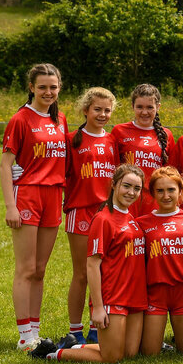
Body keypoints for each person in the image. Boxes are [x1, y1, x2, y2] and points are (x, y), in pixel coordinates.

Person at [30, 165, 147, 362]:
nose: (131, 192)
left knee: (129, 353)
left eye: (137, 188)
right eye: (126, 186)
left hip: (134, 296)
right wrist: (99, 308)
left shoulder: (131, 218)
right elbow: (92, 265)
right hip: (113, 297)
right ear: (114, 185)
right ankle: (52, 354)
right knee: (112, 357)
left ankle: (74, 345)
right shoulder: (103, 219)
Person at [1, 63, 69, 351]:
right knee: (26, 268)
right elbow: (5, 166)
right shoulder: (21, 119)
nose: (48, 92)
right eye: (42, 87)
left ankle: (36, 331)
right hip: (28, 195)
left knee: (40, 269)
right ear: (31, 87)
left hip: (53, 197)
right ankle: (24, 335)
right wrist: (10, 206)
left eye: (53, 87)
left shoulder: (61, 119)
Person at [60, 87, 118, 347]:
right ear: (85, 110)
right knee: (82, 273)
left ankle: (98, 327)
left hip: (106, 213)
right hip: (80, 211)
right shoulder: (72, 139)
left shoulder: (112, 140)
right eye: (97, 109)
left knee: (104, 272)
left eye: (107, 110)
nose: (103, 114)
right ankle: (75, 330)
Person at [137, 167, 183, 355]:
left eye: (171, 190)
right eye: (160, 190)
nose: (166, 196)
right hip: (155, 293)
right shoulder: (142, 223)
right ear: (152, 194)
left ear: (180, 191)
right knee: (149, 353)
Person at [112, 84, 174, 217]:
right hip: (127, 200)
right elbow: (114, 169)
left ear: (158, 107)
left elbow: (169, 174)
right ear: (132, 106)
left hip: (154, 202)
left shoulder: (166, 135)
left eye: (150, 107)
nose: (144, 112)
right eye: (139, 107)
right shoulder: (119, 131)